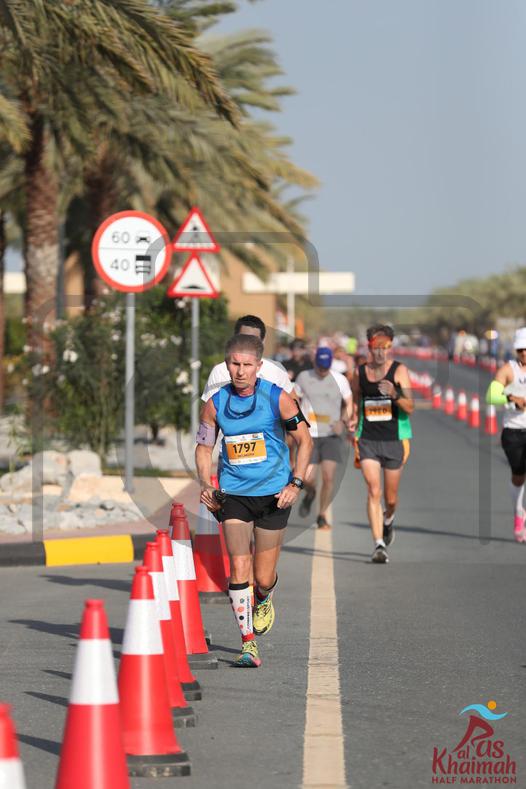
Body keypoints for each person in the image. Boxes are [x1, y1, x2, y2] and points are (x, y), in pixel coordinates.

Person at [196, 334, 312, 667]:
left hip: (273, 495)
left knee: (262, 577)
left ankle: (263, 597)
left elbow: (305, 441)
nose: (240, 371)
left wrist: (296, 483)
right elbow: (204, 447)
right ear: (227, 364)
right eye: (235, 364)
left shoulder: (278, 398)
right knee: (238, 566)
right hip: (234, 495)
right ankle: (248, 644)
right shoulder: (215, 403)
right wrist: (205, 484)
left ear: (259, 366)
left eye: (247, 365)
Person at [350, 325, 414, 563]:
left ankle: (389, 519)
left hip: (394, 440)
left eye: (385, 347)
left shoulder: (399, 371)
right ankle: (378, 544)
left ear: (390, 347)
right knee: (373, 490)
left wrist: (395, 394)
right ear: (369, 347)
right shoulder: (360, 372)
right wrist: (352, 419)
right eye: (376, 347)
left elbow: (410, 407)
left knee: (391, 498)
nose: (381, 352)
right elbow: (355, 400)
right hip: (367, 439)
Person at [295, 346, 353, 530]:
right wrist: (296, 423)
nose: (322, 370)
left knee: (328, 477)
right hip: (309, 435)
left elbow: (349, 403)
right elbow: (294, 400)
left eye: (326, 367)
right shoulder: (304, 377)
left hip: (331, 435)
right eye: (320, 366)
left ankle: (321, 515)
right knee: (307, 478)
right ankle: (310, 493)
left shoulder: (340, 379)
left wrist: (343, 421)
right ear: (314, 362)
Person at [486, 326, 526, 543]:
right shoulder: (508, 370)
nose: (524, 353)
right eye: (521, 350)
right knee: (518, 475)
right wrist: (511, 399)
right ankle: (519, 511)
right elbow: (491, 396)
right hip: (513, 432)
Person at [202, 314, 293, 401]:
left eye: (253, 340)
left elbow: (294, 405)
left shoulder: (276, 370)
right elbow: (208, 410)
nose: (247, 344)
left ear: (263, 341)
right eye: (243, 338)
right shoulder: (220, 371)